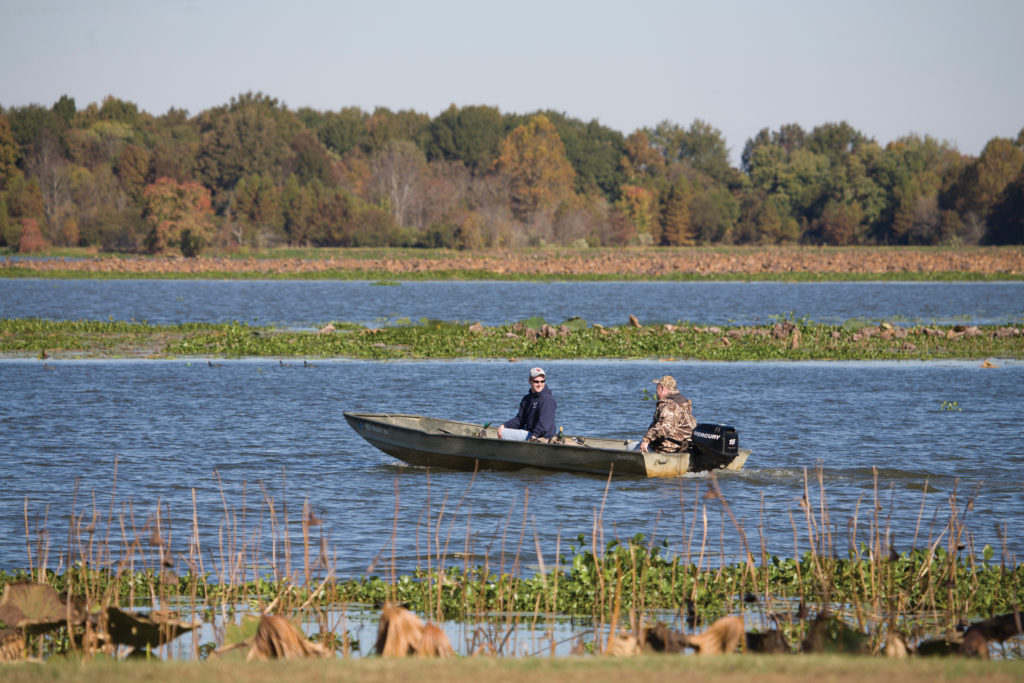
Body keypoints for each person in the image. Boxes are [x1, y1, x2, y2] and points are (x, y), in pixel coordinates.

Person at [638, 375, 697, 453]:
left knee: (632, 448)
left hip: (668, 448)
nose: (656, 391)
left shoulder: (670, 406)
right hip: (683, 445)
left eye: (657, 388)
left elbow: (665, 427)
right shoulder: (682, 402)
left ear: (662, 389)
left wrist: (646, 440)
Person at [497, 367, 557, 441]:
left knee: (503, 433)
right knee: (502, 429)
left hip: (542, 437)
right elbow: (520, 419)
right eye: (536, 381)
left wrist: (534, 436)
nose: (540, 384)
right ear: (530, 381)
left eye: (542, 381)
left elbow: (544, 424)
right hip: (530, 432)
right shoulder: (527, 399)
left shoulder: (547, 399)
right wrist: (504, 425)